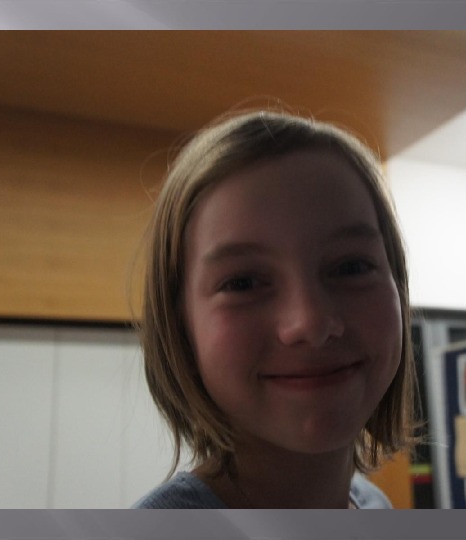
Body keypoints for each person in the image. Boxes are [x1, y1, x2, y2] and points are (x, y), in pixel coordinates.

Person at [132, 109, 418, 509]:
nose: (310, 323)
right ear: (180, 327)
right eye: (243, 283)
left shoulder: (374, 505)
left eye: (351, 267)